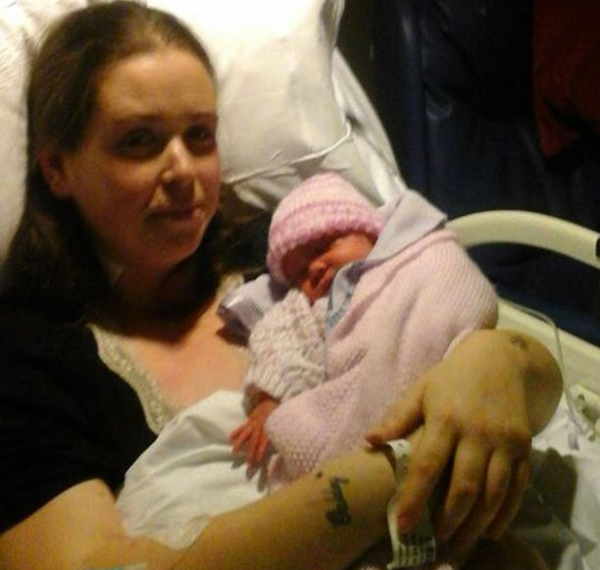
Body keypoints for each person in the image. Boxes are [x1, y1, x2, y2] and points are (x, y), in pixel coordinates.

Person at [0, 2, 562, 569]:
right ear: (57, 169)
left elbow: (533, 375)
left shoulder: (288, 254)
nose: (183, 170)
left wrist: (494, 361)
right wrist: (404, 470)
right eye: (138, 141)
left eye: (199, 136)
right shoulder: (32, 360)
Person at [229, 171, 498, 478]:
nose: (314, 267)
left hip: (456, 378)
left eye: (322, 248)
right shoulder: (307, 308)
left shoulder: (416, 255)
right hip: (365, 409)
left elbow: (459, 288)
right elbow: (278, 342)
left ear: (367, 233)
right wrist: (268, 400)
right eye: (299, 273)